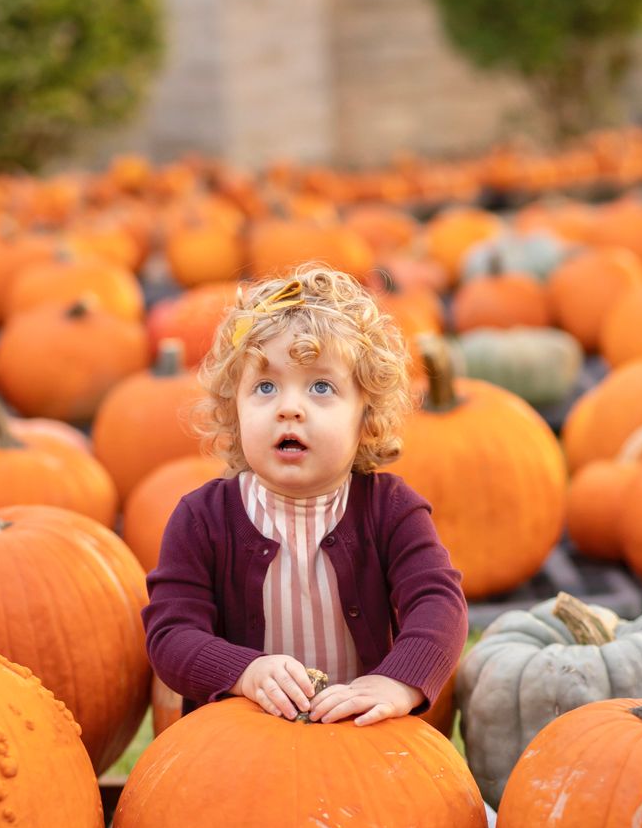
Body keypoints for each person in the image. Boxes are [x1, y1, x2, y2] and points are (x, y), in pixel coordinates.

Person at [143, 263, 467, 727]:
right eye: (265, 387)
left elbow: (438, 602)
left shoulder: (392, 510)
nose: (289, 408)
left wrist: (397, 681)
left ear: (366, 416)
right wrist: (244, 671)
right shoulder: (202, 519)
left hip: (361, 733)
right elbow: (171, 633)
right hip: (240, 743)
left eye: (320, 387)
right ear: (234, 410)